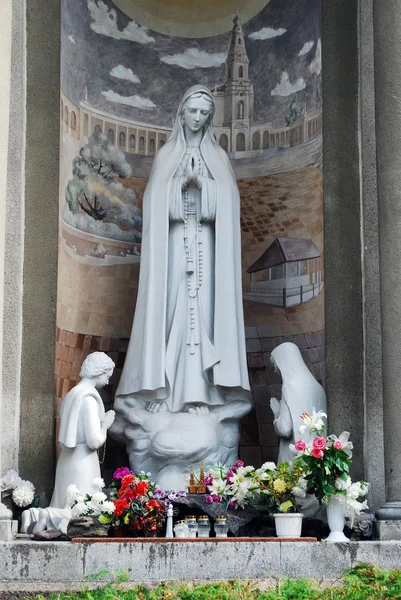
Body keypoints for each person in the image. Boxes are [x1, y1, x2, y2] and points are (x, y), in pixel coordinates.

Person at [111, 85, 251, 487]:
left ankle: (202, 396)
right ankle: (165, 391)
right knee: (171, 316)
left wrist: (204, 187)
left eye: (206, 113)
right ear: (181, 112)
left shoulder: (219, 157)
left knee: (202, 321)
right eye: (193, 110)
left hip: (205, 249)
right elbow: (153, 201)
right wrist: (179, 186)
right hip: (173, 253)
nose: (199, 118)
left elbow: (228, 202)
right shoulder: (166, 155)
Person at [21, 352, 115, 534]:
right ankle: (48, 516)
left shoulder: (71, 395)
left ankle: (35, 515)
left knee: (74, 504)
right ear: (98, 372)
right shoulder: (88, 398)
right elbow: (94, 440)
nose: (108, 381)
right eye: (107, 376)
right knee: (84, 510)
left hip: (66, 459)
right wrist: (106, 426)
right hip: (83, 460)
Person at [269, 342, 327, 464]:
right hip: (316, 459)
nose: (274, 370)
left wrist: (277, 413)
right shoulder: (318, 387)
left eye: (274, 364)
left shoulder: (290, 386)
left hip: (293, 458)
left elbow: (285, 429)